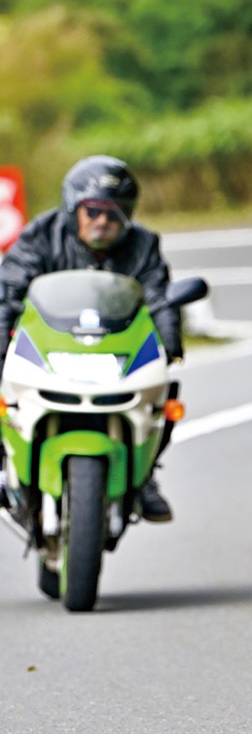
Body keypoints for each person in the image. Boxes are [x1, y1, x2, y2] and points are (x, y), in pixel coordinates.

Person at [0, 155, 182, 522]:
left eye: (116, 213)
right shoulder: (42, 235)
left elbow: (159, 297)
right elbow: (7, 289)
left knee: (165, 393)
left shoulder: (143, 244)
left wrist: (170, 344)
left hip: (113, 349)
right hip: (49, 345)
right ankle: (6, 468)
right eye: (94, 210)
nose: (103, 221)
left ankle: (143, 476)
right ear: (74, 209)